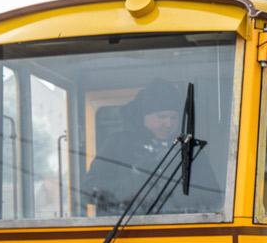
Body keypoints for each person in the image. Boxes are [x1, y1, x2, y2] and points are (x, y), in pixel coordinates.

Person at [82, 78, 219, 215]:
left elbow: (214, 197)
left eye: (174, 117)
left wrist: (176, 187)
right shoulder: (117, 145)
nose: (169, 124)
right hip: (128, 225)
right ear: (144, 117)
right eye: (161, 117)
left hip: (180, 224)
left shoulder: (189, 150)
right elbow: (88, 191)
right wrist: (133, 181)